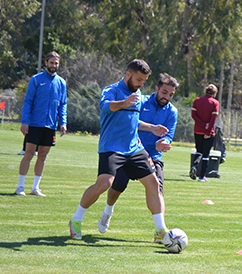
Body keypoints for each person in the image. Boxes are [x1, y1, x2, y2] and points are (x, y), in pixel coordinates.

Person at [68, 59, 169, 244]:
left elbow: (132, 121)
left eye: (144, 81)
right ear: (128, 74)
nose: (141, 84)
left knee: (153, 183)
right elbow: (108, 107)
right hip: (112, 147)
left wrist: (151, 128)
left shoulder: (136, 93)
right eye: (139, 79)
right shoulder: (111, 90)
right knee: (104, 184)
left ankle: (160, 230)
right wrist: (124, 102)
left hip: (134, 148)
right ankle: (76, 219)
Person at [97, 73, 179, 235]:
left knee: (158, 188)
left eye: (170, 95)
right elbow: (129, 123)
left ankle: (160, 230)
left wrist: (164, 142)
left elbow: (168, 135)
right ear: (156, 88)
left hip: (153, 155)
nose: (166, 97)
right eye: (164, 92)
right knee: (117, 187)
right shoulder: (140, 101)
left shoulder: (172, 112)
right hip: (129, 151)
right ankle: (108, 211)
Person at [15, 52, 68, 197]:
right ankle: (20, 187)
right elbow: (28, 101)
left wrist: (63, 123)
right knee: (29, 153)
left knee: (43, 156)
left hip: (50, 125)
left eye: (56, 63)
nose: (54, 66)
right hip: (35, 124)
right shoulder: (36, 80)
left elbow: (63, 104)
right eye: (51, 63)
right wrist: (25, 121)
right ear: (46, 63)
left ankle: (35, 188)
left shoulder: (61, 83)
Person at [191, 84, 221, 182]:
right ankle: (201, 177)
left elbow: (193, 115)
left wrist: (202, 124)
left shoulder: (197, 100)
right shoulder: (215, 103)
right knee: (206, 155)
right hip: (208, 132)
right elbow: (213, 119)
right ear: (214, 93)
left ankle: (194, 166)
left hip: (198, 130)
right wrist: (208, 130)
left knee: (198, 150)